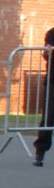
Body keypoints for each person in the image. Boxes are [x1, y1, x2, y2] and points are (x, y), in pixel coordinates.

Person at [35, 26, 54, 166]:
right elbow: (47, 52)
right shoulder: (52, 33)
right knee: (49, 117)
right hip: (53, 81)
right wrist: (49, 51)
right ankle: (40, 152)